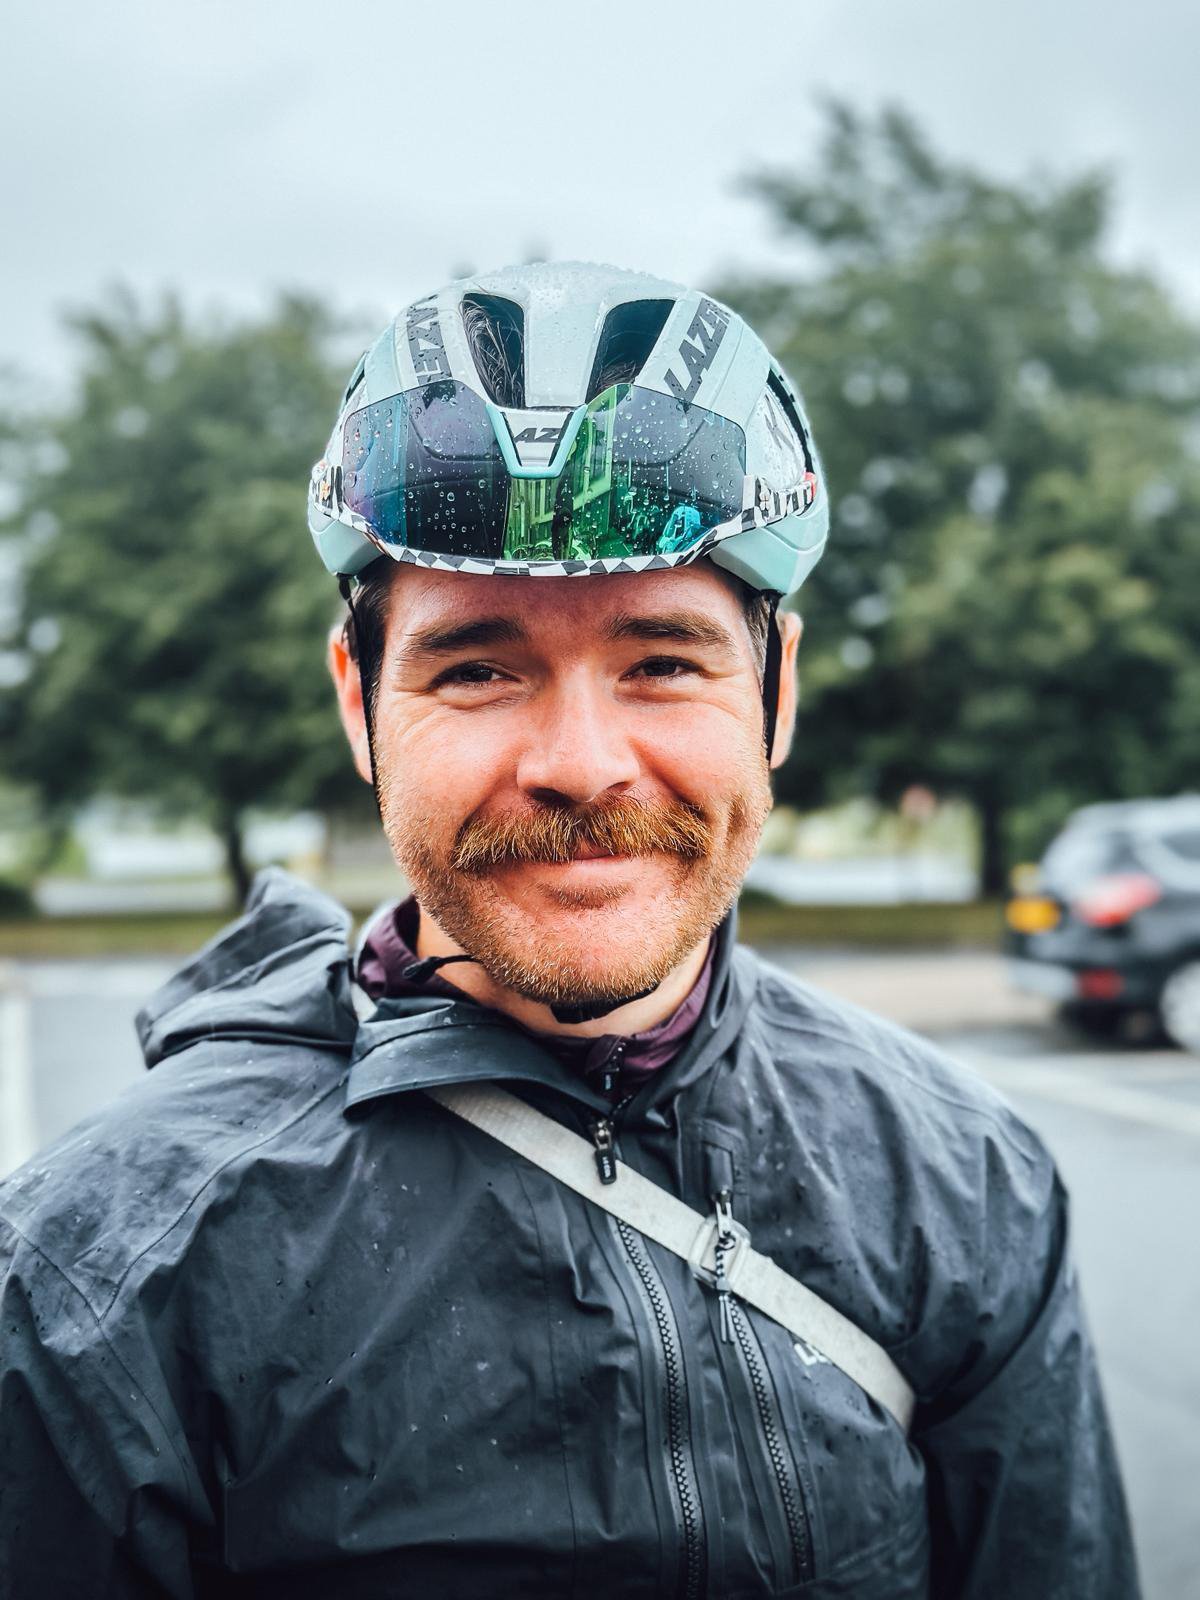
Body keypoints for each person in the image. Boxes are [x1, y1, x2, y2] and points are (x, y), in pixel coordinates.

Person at [0, 262, 1138, 1599]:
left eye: (662, 659)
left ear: (774, 696)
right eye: (478, 666)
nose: (582, 763)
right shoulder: (94, 1277)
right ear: (360, 702)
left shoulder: (963, 1185)